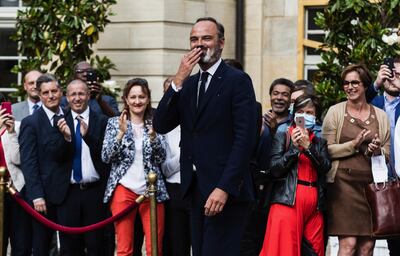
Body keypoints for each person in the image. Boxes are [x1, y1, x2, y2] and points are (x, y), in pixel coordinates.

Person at [154, 17, 257, 256]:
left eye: (206, 38)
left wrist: (224, 187)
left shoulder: (237, 81)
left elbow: (245, 139)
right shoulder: (187, 84)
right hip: (194, 189)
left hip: (225, 191)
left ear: (221, 43)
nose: (199, 44)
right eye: (194, 39)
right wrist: (178, 79)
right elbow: (160, 124)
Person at [322, 64, 390, 255]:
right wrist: (353, 144)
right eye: (346, 83)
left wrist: (375, 151)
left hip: (371, 187)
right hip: (343, 185)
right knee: (348, 244)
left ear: (365, 85)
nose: (349, 87)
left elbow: (387, 154)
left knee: (368, 247)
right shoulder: (335, 112)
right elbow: (325, 150)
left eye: (354, 82)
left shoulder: (381, 116)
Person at [102, 78, 167, 256]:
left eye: (141, 97)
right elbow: (106, 156)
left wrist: (153, 137)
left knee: (155, 247)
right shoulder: (115, 123)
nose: (137, 101)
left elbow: (161, 157)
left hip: (152, 190)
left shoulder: (155, 122)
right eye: (133, 97)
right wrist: (121, 134)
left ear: (148, 99)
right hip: (124, 189)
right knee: (124, 248)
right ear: (126, 99)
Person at [259, 94, 331, 256]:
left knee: (315, 250)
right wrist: (295, 149)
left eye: (310, 112)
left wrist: (308, 147)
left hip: (315, 206)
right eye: (300, 111)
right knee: (285, 250)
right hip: (287, 201)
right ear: (294, 114)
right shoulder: (282, 135)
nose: (305, 116)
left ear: (316, 116)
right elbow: (275, 169)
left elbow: (325, 167)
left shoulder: (320, 142)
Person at [19, 74, 73, 256]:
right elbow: (29, 162)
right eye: (46, 93)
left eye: (54, 91)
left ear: (61, 92)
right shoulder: (31, 123)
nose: (51, 96)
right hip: (43, 197)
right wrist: (36, 196)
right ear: (40, 96)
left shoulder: (70, 116)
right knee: (41, 247)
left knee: (69, 246)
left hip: (69, 193)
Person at [54, 79, 110, 255]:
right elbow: (55, 157)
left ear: (88, 95)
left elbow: (106, 157)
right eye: (73, 94)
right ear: (67, 97)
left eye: (81, 93)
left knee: (96, 245)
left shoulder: (102, 121)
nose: (77, 98)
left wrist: (88, 137)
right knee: (70, 248)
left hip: (95, 192)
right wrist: (67, 138)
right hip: (68, 192)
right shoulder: (58, 122)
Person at [371, 57, 400, 255]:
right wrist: (375, 84)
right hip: (380, 181)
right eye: (391, 72)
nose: (393, 78)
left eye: (398, 74)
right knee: (393, 242)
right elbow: (352, 103)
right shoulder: (374, 102)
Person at [161, 76, 191, 256]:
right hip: (175, 191)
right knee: (178, 246)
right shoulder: (163, 127)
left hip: (198, 188)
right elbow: (165, 169)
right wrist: (187, 155)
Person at [1, 95, 33, 256]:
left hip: (17, 191)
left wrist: (11, 133)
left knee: (21, 243)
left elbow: (19, 159)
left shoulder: (19, 127)